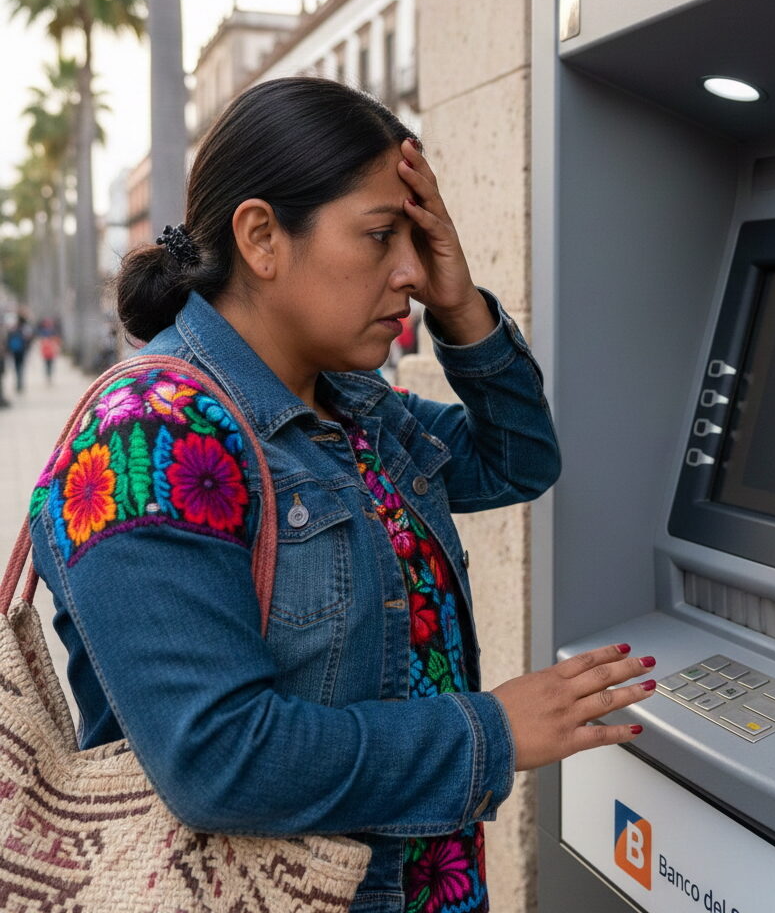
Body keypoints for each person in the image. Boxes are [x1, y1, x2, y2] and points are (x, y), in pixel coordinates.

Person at [28, 77, 655, 913]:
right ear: (261, 237)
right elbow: (220, 762)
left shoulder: (353, 403)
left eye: (414, 236)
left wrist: (461, 305)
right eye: (379, 235)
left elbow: (519, 461)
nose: (408, 272)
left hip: (416, 884)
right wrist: (493, 730)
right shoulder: (152, 434)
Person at [7, 312, 32, 392]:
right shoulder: (25, 329)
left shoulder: (13, 328)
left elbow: (9, 338)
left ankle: (18, 383)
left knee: (17, 366)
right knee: (21, 366)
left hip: (15, 351)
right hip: (22, 351)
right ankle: (20, 383)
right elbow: (29, 339)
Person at [37, 317, 61, 385]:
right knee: (48, 364)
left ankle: (49, 376)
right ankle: (49, 376)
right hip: (48, 350)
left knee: (48, 364)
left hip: (49, 350)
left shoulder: (47, 331)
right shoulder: (51, 331)